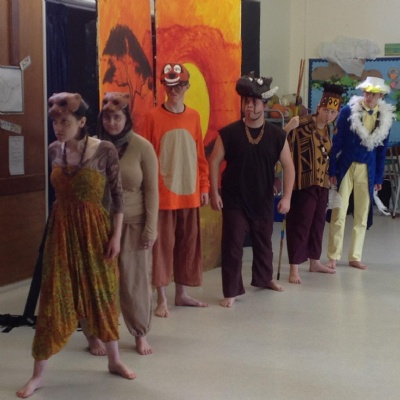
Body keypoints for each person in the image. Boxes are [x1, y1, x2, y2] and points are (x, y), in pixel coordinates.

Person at [17, 92, 135, 399]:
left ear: (81, 122)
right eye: (55, 122)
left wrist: (116, 237)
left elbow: (118, 198)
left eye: (65, 121)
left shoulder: (104, 150)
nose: (58, 127)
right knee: (53, 296)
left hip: (96, 232)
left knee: (103, 294)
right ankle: (38, 375)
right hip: (61, 232)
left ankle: (114, 360)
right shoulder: (53, 150)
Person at [209, 72, 295, 308]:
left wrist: (287, 197)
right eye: (246, 102)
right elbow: (214, 161)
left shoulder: (277, 136)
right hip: (234, 199)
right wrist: (214, 191)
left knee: (263, 242)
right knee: (233, 245)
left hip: (263, 197)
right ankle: (231, 290)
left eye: (254, 102)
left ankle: (264, 279)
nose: (249, 106)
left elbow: (289, 166)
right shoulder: (229, 133)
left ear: (264, 106)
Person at [140, 63, 210, 318]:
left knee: (187, 244)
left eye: (179, 85)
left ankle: (182, 293)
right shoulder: (152, 118)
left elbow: (200, 155)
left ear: (187, 87)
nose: (174, 90)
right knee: (162, 246)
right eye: (170, 86)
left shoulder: (194, 117)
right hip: (163, 196)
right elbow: (145, 157)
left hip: (189, 193)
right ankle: (161, 298)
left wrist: (204, 186)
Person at [97, 92, 158, 355]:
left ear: (127, 118)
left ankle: (139, 333)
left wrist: (151, 228)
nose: (112, 123)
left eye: (117, 117)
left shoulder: (142, 147)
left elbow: (152, 191)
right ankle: (96, 333)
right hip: (101, 224)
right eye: (107, 118)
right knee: (99, 281)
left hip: (134, 223)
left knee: (135, 281)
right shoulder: (94, 146)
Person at [326, 77, 396, 270]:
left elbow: (382, 150)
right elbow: (336, 143)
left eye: (373, 93)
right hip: (346, 166)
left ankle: (355, 256)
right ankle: (333, 255)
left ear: (380, 95)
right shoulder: (348, 111)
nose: (368, 96)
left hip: (368, 169)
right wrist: (332, 169)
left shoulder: (385, 117)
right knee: (339, 211)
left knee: (362, 213)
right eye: (366, 92)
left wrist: (379, 176)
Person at [285, 83, 345, 284]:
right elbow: (280, 140)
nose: (328, 115)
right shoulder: (301, 122)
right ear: (319, 107)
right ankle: (294, 267)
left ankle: (314, 261)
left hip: (322, 183)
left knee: (318, 223)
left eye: (333, 112)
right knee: (300, 223)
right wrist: (288, 127)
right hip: (303, 183)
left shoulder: (328, 130)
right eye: (326, 110)